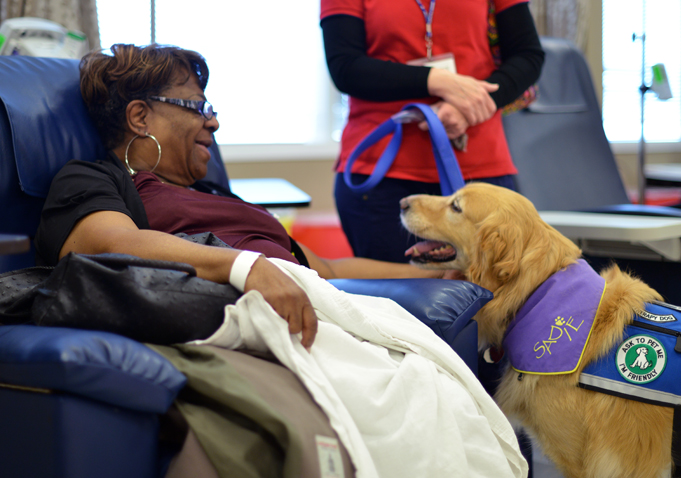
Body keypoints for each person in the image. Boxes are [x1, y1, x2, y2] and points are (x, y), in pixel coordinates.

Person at [33, 43, 528, 478]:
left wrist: (441, 273)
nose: (213, 122)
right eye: (197, 106)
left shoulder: (219, 195)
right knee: (401, 409)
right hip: (250, 314)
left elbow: (327, 269)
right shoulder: (96, 178)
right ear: (140, 117)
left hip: (311, 307)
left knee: (437, 397)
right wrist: (244, 267)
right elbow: (104, 241)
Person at [321, 0, 544, 263]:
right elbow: (345, 67)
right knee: (392, 288)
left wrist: (470, 107)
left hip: (480, 169)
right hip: (381, 172)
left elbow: (527, 55)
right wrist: (435, 79)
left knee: (489, 285)